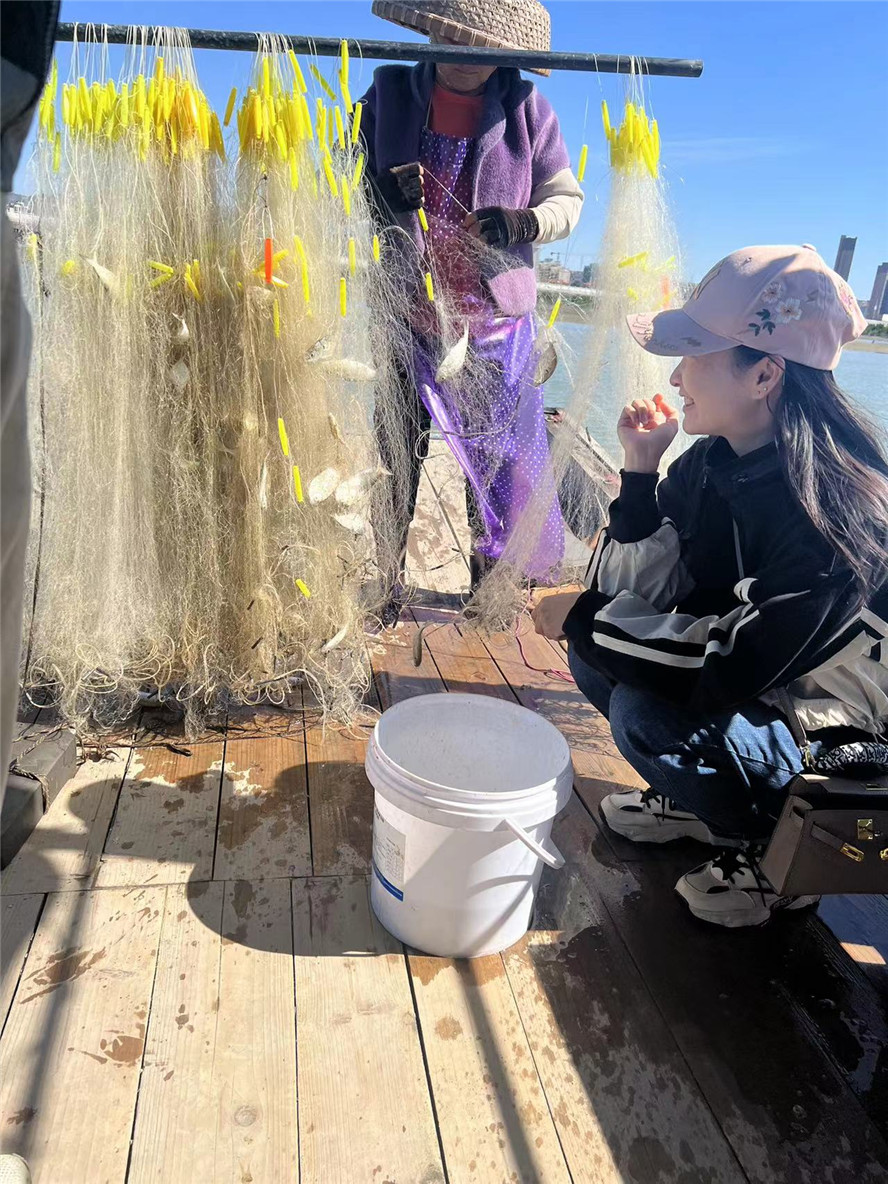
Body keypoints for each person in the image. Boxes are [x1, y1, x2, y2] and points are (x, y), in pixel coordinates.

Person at [533, 244, 888, 928]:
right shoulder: (714, 461)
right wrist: (640, 473)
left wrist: (584, 615)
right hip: (768, 694)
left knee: (642, 709)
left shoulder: (836, 515)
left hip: (843, 748)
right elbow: (638, 595)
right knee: (600, 655)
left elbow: (726, 664)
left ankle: (787, 860)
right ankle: (709, 809)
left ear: (765, 375)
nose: (675, 375)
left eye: (695, 354)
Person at [362, 0, 583, 621]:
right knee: (396, 452)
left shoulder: (529, 111)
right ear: (431, 31)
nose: (464, 59)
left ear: (506, 55)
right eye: (452, 41)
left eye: (480, 49)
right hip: (409, 312)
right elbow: (343, 172)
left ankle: (490, 593)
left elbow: (566, 200)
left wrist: (523, 222)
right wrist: (379, 189)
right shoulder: (387, 95)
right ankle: (385, 583)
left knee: (497, 459)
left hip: (493, 323)